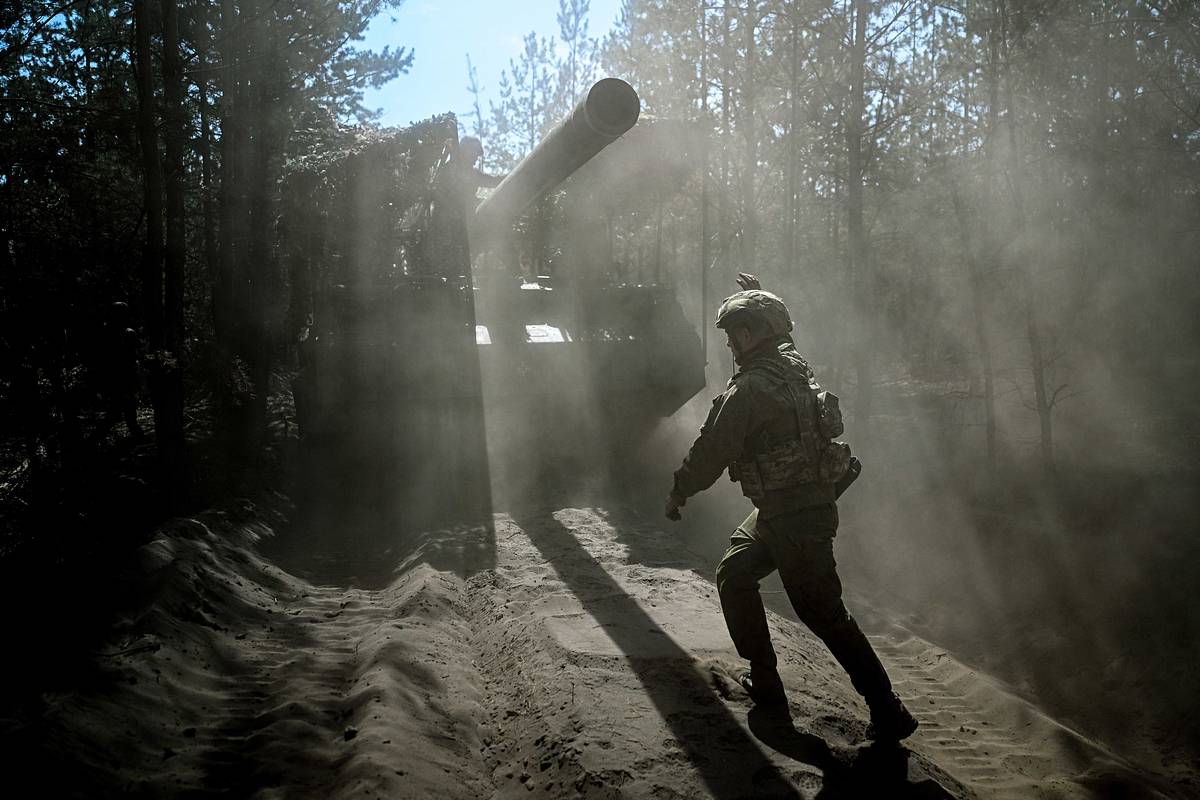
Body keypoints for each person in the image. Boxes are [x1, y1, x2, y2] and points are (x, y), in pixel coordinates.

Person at [664, 273, 918, 742]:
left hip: (795, 517)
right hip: (787, 510)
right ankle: (765, 681)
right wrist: (757, 296)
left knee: (824, 614)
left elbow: (713, 449)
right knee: (736, 575)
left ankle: (888, 709)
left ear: (748, 334)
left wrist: (680, 490)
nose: (730, 344)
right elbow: (779, 337)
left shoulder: (749, 390)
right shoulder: (794, 365)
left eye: (734, 333)